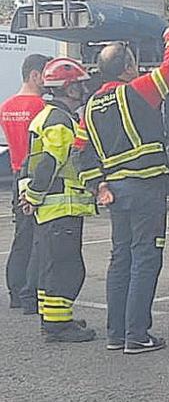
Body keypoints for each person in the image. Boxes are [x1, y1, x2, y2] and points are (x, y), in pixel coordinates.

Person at [80, 29, 169, 354]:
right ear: (126, 69)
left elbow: (81, 150)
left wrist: (98, 185)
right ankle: (137, 334)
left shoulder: (90, 106)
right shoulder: (137, 91)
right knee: (145, 258)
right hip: (145, 188)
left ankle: (117, 333)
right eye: (135, 63)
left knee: (120, 259)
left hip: (115, 191)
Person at [21, 58, 97, 342]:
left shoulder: (46, 116)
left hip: (49, 207)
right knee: (65, 266)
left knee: (51, 264)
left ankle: (56, 318)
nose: (83, 89)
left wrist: (30, 195)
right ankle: (56, 326)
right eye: (79, 85)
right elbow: (51, 161)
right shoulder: (60, 121)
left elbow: (32, 161)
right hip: (59, 206)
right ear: (70, 89)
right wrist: (34, 195)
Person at [2, 53, 48, 312]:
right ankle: (31, 291)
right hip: (34, 175)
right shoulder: (41, 107)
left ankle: (14, 289)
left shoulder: (6, 106)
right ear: (34, 75)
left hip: (16, 172)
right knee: (38, 238)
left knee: (21, 235)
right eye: (46, 75)